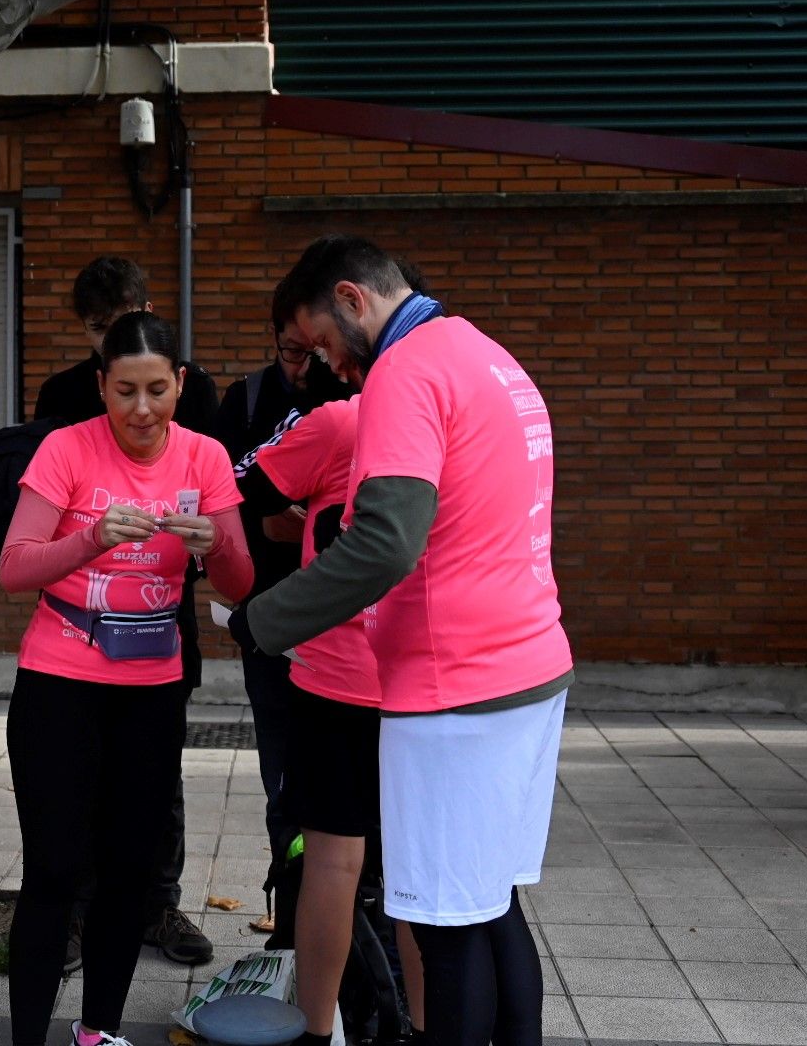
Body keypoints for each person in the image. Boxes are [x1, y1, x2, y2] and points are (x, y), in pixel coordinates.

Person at [229, 235, 573, 1046]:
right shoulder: (485, 354)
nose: (326, 369)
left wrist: (263, 622)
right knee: (492, 909)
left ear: (353, 299)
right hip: (527, 667)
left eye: (320, 344)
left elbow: (385, 543)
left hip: (453, 688)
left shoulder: (405, 372)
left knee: (447, 927)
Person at [1, 311, 253, 1046]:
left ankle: (97, 1031)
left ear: (180, 383)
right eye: (123, 392)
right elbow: (15, 567)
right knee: (53, 871)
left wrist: (218, 547)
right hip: (59, 683)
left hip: (151, 690)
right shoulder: (65, 449)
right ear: (101, 386)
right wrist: (90, 537)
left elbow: (240, 581)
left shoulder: (205, 458)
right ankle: (26, 1037)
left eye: (156, 390)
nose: (141, 411)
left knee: (127, 870)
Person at [33, 255, 218, 967]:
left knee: (157, 773)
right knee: (76, 776)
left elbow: (221, 503)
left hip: (161, 613)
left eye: (119, 323)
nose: (140, 407)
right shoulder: (63, 395)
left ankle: (157, 905)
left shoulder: (192, 393)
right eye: (96, 330)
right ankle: (77, 912)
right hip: (77, 622)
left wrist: (207, 545)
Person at [235, 394, 425, 1042]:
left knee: (334, 864)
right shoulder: (451, 416)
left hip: (339, 671)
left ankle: (318, 1033)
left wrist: (306, 518)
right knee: (414, 875)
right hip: (422, 673)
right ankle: (419, 1030)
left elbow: (249, 490)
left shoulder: (343, 420)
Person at [211, 301, 351, 882]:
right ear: (274, 342)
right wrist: (261, 525)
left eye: (312, 354)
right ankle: (291, 890)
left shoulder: (348, 405)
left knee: (344, 783)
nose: (302, 368)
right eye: (290, 353)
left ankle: (346, 910)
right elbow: (216, 495)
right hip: (270, 613)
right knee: (284, 768)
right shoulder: (245, 399)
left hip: (347, 621)